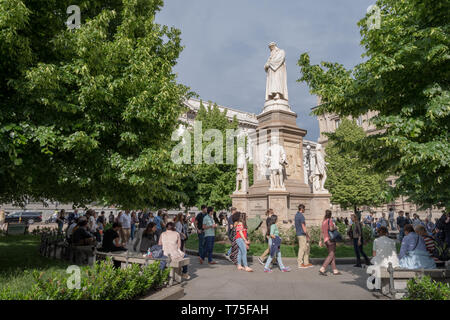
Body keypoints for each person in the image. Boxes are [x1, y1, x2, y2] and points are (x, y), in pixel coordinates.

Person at [318, 210, 341, 276]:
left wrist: (320, 240)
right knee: (331, 255)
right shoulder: (330, 220)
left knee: (332, 254)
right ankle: (323, 268)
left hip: (325, 240)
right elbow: (331, 229)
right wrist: (335, 227)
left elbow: (321, 232)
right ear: (330, 215)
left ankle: (335, 270)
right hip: (330, 239)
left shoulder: (324, 221)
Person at [295, 204, 312, 269]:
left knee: (306, 248)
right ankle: (300, 263)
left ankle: (306, 262)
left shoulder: (296, 215)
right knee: (302, 248)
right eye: (304, 209)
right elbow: (303, 226)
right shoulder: (301, 216)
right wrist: (307, 234)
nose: (305, 210)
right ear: (302, 209)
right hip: (302, 234)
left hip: (299, 233)